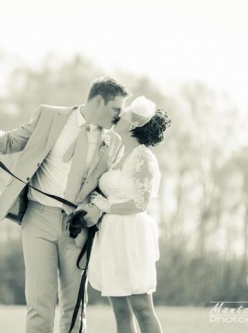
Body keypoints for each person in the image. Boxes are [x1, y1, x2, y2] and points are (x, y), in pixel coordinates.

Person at [0, 77, 129, 333]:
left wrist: (96, 209)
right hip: (38, 220)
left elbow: (108, 187)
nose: (118, 116)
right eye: (116, 109)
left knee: (75, 308)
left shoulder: (114, 142)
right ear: (99, 101)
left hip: (78, 228)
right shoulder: (49, 116)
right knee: (39, 305)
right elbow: (8, 142)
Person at [88, 96, 170, 333]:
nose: (119, 115)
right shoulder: (118, 154)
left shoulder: (144, 158)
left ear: (133, 125)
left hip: (131, 234)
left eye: (124, 113)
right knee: (120, 311)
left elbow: (140, 203)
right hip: (111, 234)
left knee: (142, 309)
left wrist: (106, 207)